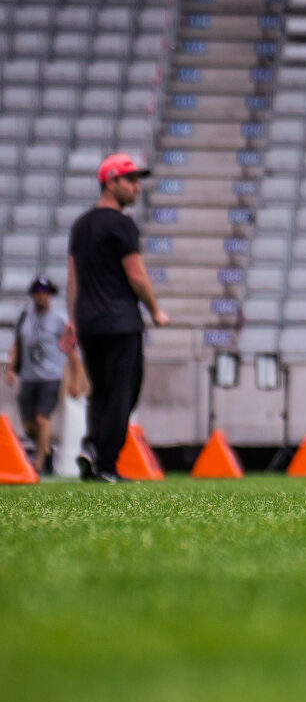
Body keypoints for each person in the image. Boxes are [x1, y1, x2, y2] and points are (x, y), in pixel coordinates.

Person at [67, 153, 168, 484]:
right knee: (123, 393)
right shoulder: (122, 225)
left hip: (89, 324)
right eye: (131, 180)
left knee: (101, 392)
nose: (137, 187)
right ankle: (105, 462)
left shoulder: (81, 225)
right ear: (110, 182)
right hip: (121, 322)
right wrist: (155, 309)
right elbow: (135, 274)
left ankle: (92, 449)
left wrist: (73, 321)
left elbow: (73, 278)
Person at [6, 276, 76, 480]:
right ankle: (45, 449)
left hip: (51, 377)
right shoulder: (24, 318)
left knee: (41, 419)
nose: (41, 296)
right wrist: (11, 368)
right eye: (38, 293)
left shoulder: (59, 320)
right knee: (29, 426)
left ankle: (39, 464)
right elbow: (17, 344)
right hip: (29, 377)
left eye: (45, 293)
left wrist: (75, 377)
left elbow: (70, 349)